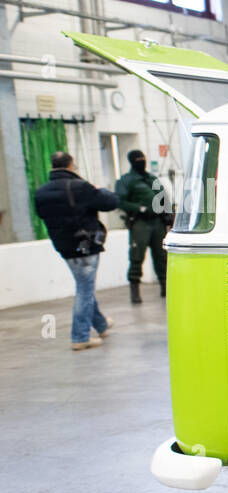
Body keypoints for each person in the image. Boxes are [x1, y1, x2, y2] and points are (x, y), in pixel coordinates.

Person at [32, 152, 119, 351]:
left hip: (63, 246)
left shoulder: (41, 192)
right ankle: (80, 337)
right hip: (85, 245)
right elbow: (111, 203)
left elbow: (41, 214)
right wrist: (100, 190)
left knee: (84, 285)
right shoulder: (81, 187)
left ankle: (101, 325)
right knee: (85, 290)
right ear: (71, 165)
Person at [114, 149, 169, 303]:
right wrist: (139, 208)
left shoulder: (151, 178)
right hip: (140, 222)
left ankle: (165, 287)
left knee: (162, 256)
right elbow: (120, 201)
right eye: (138, 159)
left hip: (157, 222)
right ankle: (135, 291)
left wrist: (168, 215)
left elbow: (163, 197)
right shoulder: (125, 181)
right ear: (132, 161)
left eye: (142, 158)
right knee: (137, 256)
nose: (141, 161)